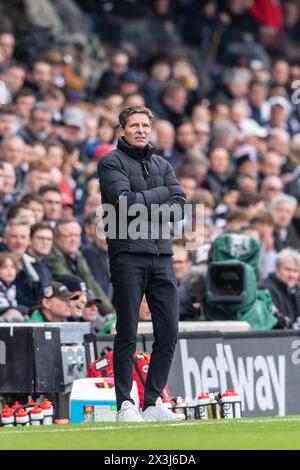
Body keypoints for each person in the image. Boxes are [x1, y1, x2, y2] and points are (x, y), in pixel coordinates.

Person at [98, 105, 186, 422]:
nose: (140, 130)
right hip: (127, 255)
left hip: (162, 255)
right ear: (122, 130)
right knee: (127, 332)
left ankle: (152, 403)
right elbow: (123, 205)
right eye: (134, 125)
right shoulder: (110, 162)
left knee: (169, 332)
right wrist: (161, 194)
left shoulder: (162, 163)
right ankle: (125, 403)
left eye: (145, 125)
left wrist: (147, 199)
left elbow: (180, 206)